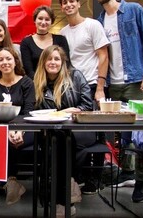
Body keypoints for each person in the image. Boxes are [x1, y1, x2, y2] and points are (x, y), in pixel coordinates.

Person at [92, 0, 143, 203]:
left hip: (135, 80)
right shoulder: (99, 21)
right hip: (114, 83)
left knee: (140, 133)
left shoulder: (133, 10)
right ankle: (128, 172)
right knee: (123, 134)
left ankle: (141, 183)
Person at [59, 0, 110, 194]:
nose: (68, 5)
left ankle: (95, 179)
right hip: (72, 89)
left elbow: (103, 56)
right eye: (64, 2)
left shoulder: (92, 25)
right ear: (61, 7)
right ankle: (78, 177)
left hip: (91, 85)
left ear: (79, 3)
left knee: (97, 134)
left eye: (72, 1)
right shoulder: (62, 33)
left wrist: (100, 86)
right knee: (76, 135)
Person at [33, 45, 93, 216]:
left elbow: (88, 106)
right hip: (52, 133)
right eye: (49, 59)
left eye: (57, 59)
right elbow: (36, 111)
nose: (53, 62)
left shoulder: (75, 76)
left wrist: (65, 113)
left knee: (60, 141)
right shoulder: (38, 82)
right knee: (56, 140)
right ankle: (63, 192)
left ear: (63, 62)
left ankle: (60, 196)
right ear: (43, 62)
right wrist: (60, 113)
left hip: (80, 130)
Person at [0, 47, 35, 205]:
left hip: (25, 128)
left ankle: (11, 181)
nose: (4, 62)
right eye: (1, 60)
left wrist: (19, 130)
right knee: (2, 140)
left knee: (12, 140)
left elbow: (28, 111)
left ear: (15, 61)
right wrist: (6, 132)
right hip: (1, 129)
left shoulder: (27, 82)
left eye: (8, 59)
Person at [20, 5, 70, 79]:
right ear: (35, 20)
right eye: (40, 18)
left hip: (59, 83)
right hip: (36, 84)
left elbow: (66, 64)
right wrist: (41, 85)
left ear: (51, 22)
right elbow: (28, 70)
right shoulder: (26, 42)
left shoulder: (61, 40)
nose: (43, 22)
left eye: (47, 19)